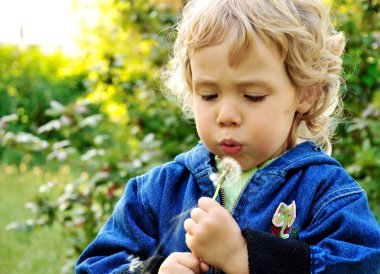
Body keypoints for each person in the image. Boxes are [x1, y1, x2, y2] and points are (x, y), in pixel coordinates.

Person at [75, 0, 380, 273]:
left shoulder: (325, 193)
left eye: (252, 95)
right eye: (209, 95)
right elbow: (96, 264)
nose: (226, 115)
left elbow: (363, 264)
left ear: (305, 94)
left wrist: (245, 256)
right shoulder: (157, 192)